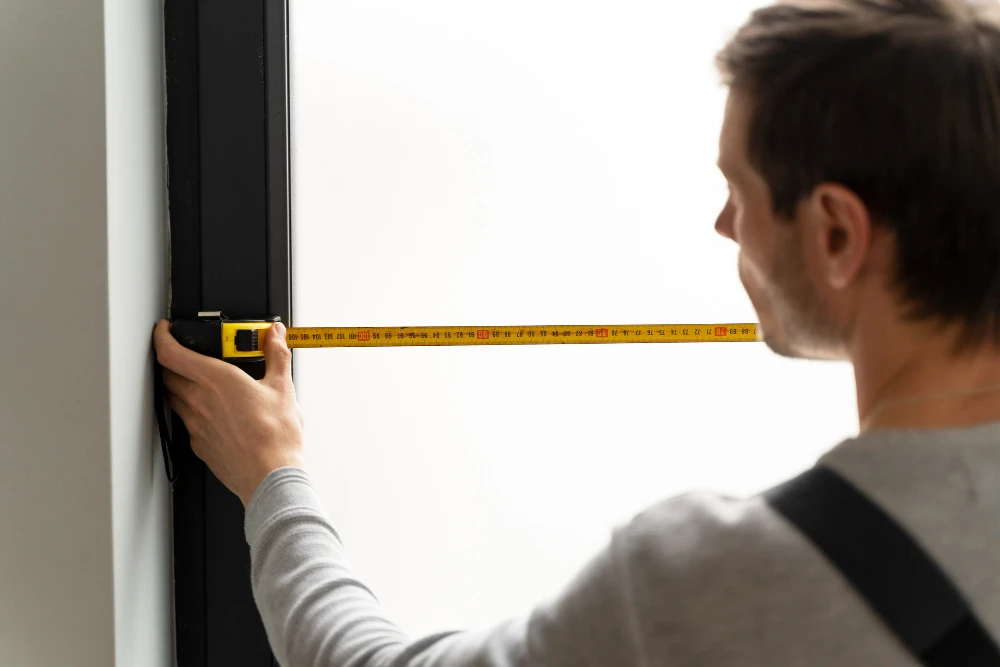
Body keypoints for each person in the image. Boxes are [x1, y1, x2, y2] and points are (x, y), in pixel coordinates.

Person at [153, 0, 1000, 664]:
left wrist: (274, 477)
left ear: (838, 235)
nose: (722, 225)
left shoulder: (718, 579)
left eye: (739, 191)